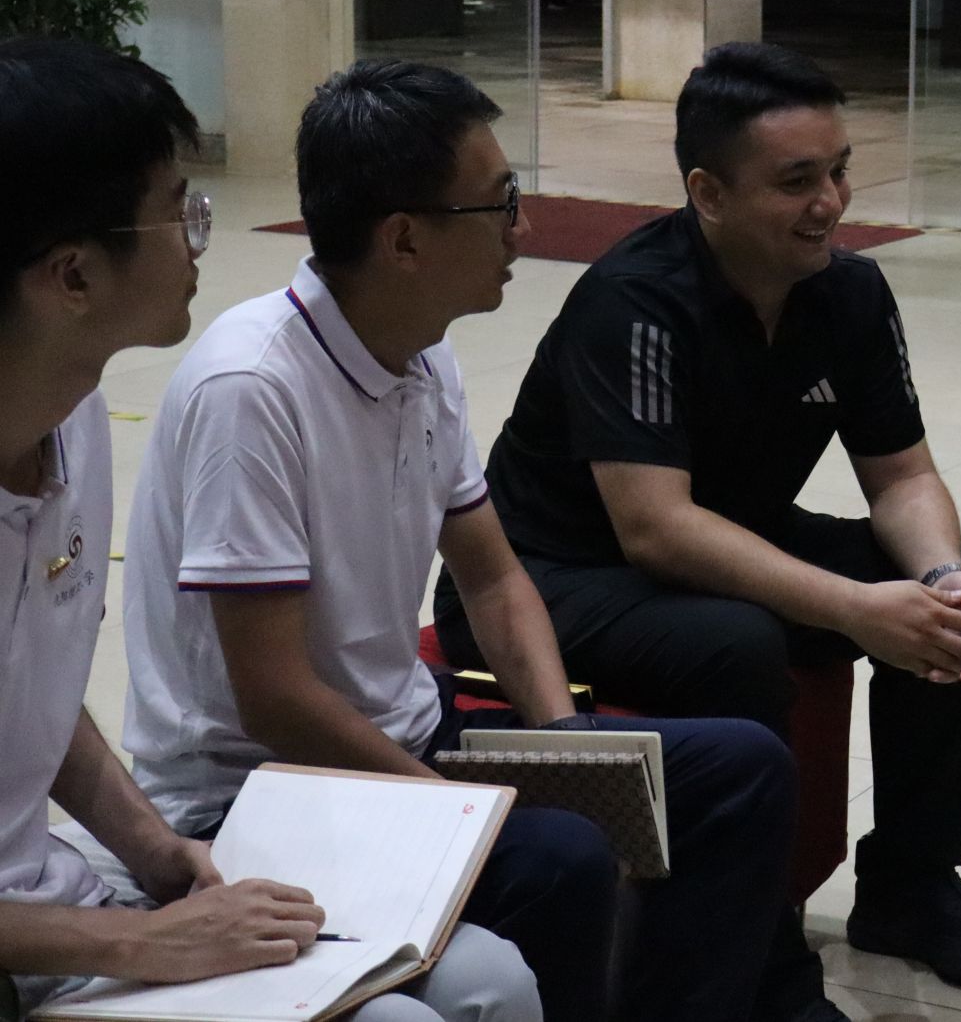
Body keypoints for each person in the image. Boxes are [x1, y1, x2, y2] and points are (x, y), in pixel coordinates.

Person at [116, 60, 797, 1022]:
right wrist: (455, 808)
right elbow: (274, 699)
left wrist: (567, 748)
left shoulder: (423, 351)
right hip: (257, 793)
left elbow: (493, 576)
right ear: (403, 238)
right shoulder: (253, 388)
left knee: (742, 770)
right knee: (561, 855)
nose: (523, 229)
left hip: (404, 737)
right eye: (499, 204)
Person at [432, 40, 961, 1020]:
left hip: (718, 539)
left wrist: (936, 580)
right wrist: (853, 607)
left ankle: (911, 884)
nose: (830, 203)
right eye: (796, 182)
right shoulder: (634, 299)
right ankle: (761, 951)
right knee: (736, 641)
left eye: (839, 171)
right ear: (707, 193)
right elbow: (655, 530)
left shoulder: (847, 292)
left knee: (950, 584)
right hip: (554, 573)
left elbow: (902, 475)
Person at [0, 38, 534, 1022]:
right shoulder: (248, 383)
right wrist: (138, 941)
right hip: (42, 941)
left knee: (491, 983)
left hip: (68, 901)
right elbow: (272, 694)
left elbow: (34, 702)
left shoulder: (72, 418)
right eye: (177, 211)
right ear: (72, 275)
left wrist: (158, 854)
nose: (199, 238)